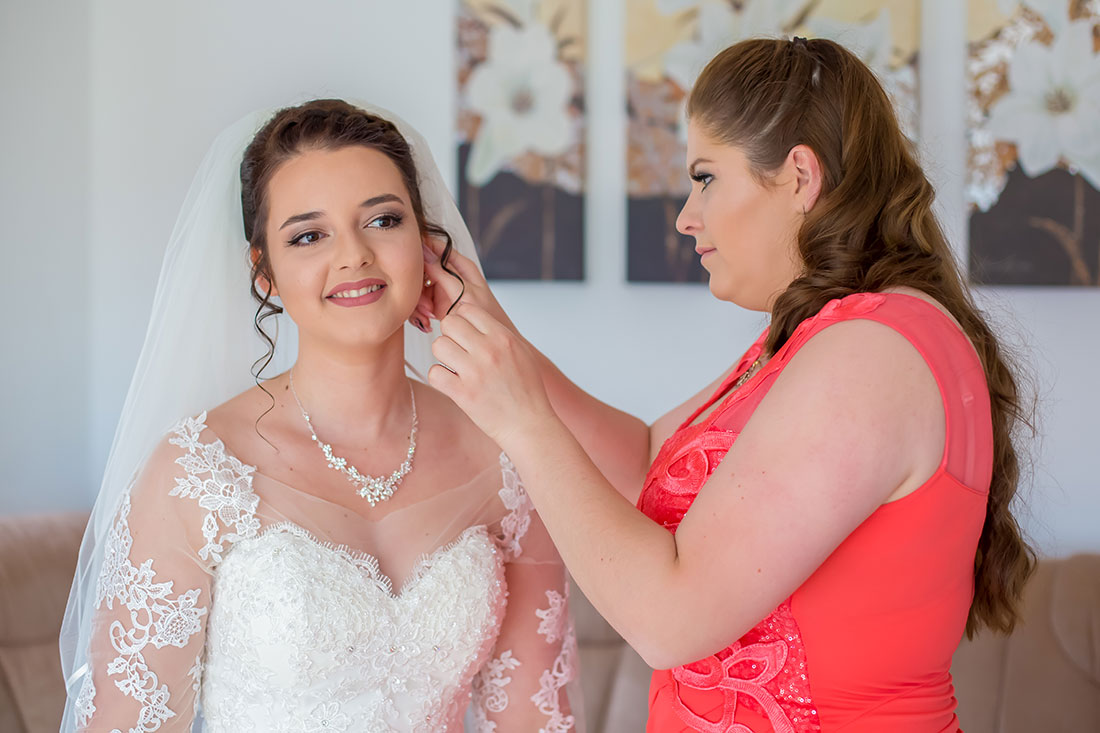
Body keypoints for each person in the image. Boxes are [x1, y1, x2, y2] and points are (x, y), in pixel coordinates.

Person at [422, 38, 1035, 731]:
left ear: (800, 176)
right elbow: (653, 458)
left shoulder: (868, 353)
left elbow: (669, 620)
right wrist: (489, 327)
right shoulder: (835, 333)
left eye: (706, 177)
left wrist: (523, 425)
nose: (687, 215)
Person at [59, 99, 579, 732]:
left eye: (383, 221)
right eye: (308, 235)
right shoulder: (197, 473)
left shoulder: (507, 452)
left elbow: (536, 719)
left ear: (427, 246)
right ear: (266, 275)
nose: (353, 255)